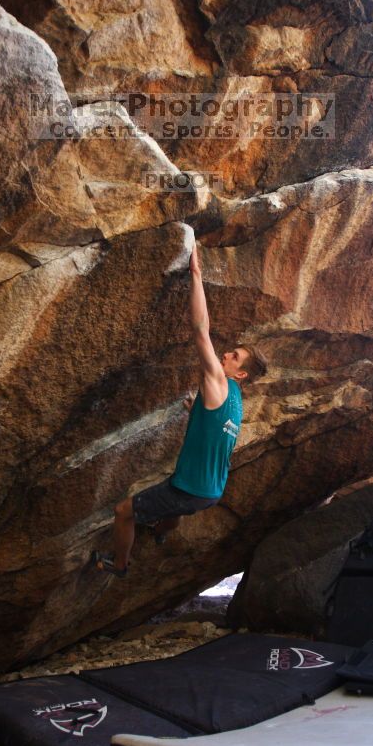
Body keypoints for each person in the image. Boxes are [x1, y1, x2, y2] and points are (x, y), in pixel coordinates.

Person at [93, 237, 267, 577]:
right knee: (176, 509)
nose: (227, 353)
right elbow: (216, 431)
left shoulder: (218, 380)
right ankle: (160, 530)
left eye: (235, 356)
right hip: (211, 491)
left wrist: (197, 275)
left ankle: (120, 565)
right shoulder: (234, 400)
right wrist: (195, 411)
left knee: (123, 510)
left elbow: (201, 331)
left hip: (189, 490)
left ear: (240, 373)